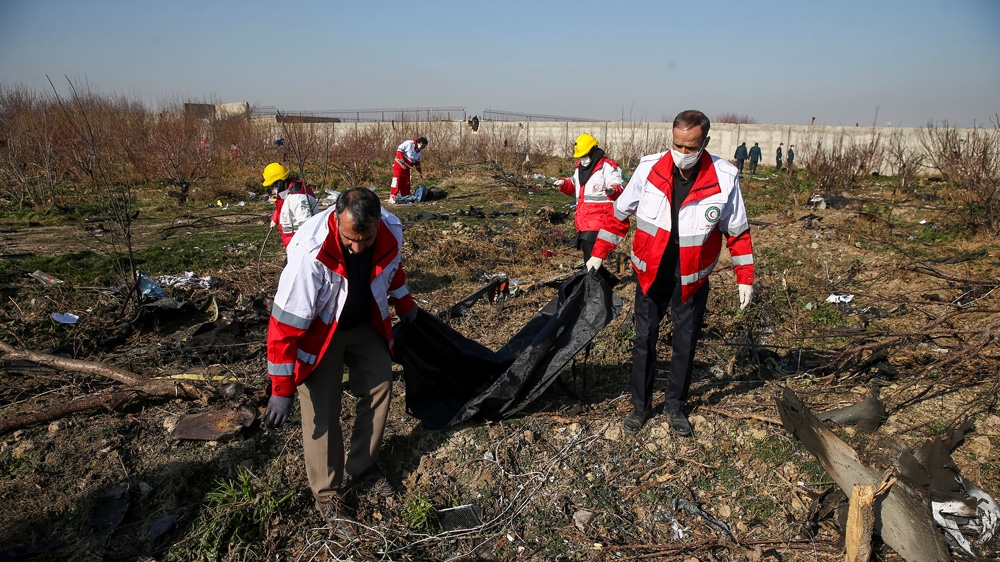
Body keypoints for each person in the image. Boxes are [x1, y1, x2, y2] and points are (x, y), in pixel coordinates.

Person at [262, 187, 419, 539]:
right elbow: (284, 326)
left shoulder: (390, 229)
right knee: (323, 408)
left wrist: (405, 304)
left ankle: (362, 466)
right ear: (336, 219)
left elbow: (392, 269)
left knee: (380, 384)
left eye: (366, 239)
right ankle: (328, 494)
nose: (358, 248)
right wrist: (281, 388)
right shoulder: (310, 252)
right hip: (321, 332)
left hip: (363, 323)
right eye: (350, 239)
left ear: (377, 223)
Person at [587, 110, 755, 437]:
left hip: (692, 275)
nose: (682, 153)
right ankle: (640, 406)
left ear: (705, 142)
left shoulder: (723, 178)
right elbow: (620, 213)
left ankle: (675, 405)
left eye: (690, 147)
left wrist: (744, 277)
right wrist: (599, 252)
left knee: (685, 342)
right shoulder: (650, 168)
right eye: (677, 145)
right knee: (644, 338)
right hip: (651, 271)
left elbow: (737, 232)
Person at [554, 133, 624, 263]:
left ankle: (592, 275)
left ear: (593, 151)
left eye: (585, 155)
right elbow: (574, 185)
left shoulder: (607, 167)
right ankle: (593, 275)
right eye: (581, 156)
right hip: (584, 219)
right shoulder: (580, 169)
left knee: (589, 249)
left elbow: (617, 186)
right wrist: (564, 183)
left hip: (601, 219)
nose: (583, 159)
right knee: (589, 255)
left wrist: (612, 190)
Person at [263, 162, 319, 247]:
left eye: (273, 186)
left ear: (279, 183)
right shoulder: (289, 191)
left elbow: (306, 225)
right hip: (293, 243)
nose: (272, 189)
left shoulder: (296, 198)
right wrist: (275, 218)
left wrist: (304, 249)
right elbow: (283, 206)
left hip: (300, 245)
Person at [390, 137, 428, 204]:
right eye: (423, 146)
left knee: (406, 182)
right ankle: (393, 196)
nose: (423, 148)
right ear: (420, 143)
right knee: (397, 180)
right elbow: (399, 150)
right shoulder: (409, 143)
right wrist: (401, 158)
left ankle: (405, 195)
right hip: (399, 166)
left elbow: (417, 163)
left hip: (407, 168)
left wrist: (419, 171)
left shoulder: (419, 152)